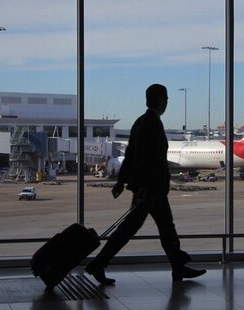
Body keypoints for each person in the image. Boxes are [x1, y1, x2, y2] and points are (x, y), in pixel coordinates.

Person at [85, 84, 206, 284]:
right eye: (166, 98)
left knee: (154, 229)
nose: (167, 102)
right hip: (151, 190)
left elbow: (131, 155)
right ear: (158, 100)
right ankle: (99, 264)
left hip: (148, 188)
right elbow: (148, 160)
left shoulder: (141, 121)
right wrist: (142, 186)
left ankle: (177, 267)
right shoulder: (152, 124)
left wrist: (122, 182)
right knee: (154, 229)